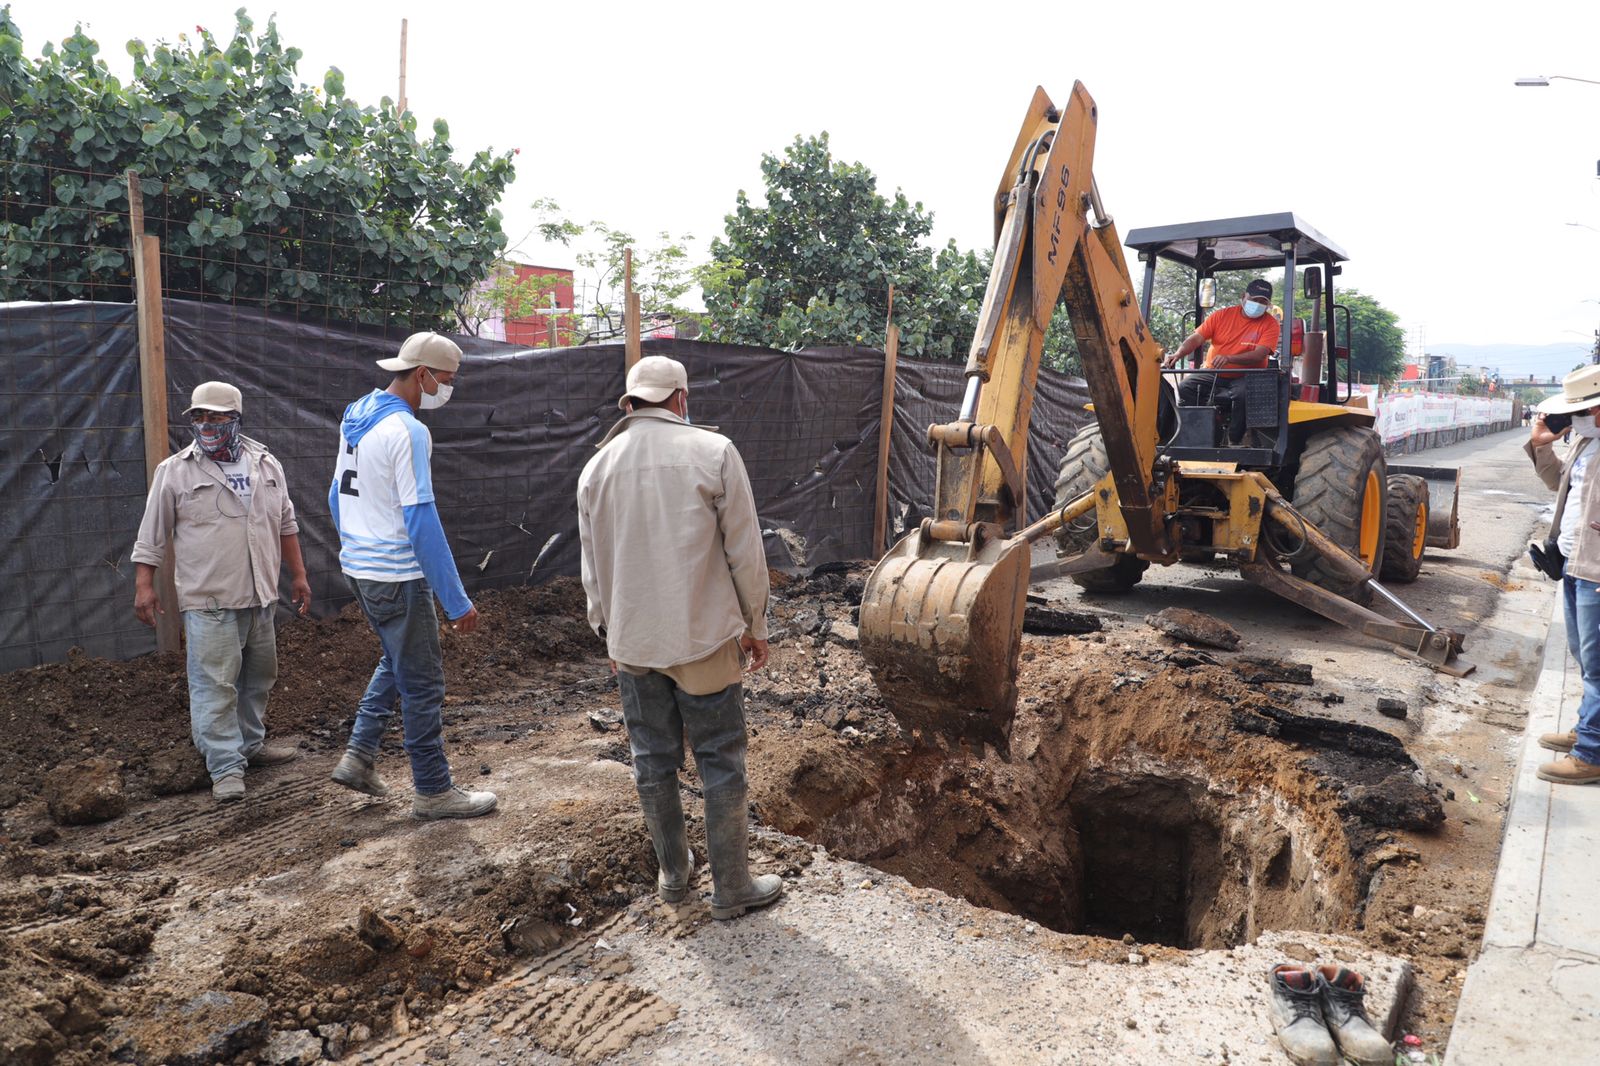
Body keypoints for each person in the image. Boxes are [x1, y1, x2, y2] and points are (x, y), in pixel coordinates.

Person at [577, 355, 782, 919]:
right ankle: (732, 887)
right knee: (720, 758)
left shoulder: (596, 469)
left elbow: (592, 567)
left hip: (634, 643)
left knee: (652, 760)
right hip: (704, 640)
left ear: (631, 403)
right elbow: (745, 551)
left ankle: (674, 875)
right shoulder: (713, 452)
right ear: (681, 399)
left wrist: (609, 634)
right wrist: (756, 626)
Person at [326, 332, 498, 818]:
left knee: (397, 658)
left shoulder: (356, 415)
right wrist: (456, 599)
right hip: (397, 575)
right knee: (423, 684)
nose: (447, 390)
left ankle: (359, 755)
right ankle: (433, 789)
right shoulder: (408, 431)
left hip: (361, 569)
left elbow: (335, 496)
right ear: (421, 374)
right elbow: (421, 520)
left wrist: (355, 546)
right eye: (444, 380)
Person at [132, 381, 310, 803]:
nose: (207, 425)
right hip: (209, 600)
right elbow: (151, 534)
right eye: (199, 417)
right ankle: (225, 767)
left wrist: (298, 576)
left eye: (216, 417)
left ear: (236, 419)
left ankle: (250, 745)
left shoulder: (266, 464)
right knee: (215, 684)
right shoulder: (174, 471)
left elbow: (286, 525)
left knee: (258, 677)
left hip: (260, 595)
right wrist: (144, 586)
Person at [1526, 364, 1600, 785]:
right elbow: (1558, 483)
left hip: (1596, 571)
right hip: (1575, 564)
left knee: (1598, 665)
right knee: (1586, 659)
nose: (1574, 419)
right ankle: (1589, 729)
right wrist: (1541, 446)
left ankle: (1590, 753)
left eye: (1581, 411)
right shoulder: (1586, 443)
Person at [1161, 278, 1281, 444]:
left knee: (1245, 394)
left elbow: (1259, 355)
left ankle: (1235, 440)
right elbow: (1197, 338)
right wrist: (1178, 354)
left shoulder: (1270, 324)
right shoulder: (1222, 316)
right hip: (1214, 373)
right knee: (1186, 387)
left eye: (1263, 302)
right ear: (1243, 297)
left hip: (1247, 375)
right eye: (1254, 300)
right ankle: (1197, 436)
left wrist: (1229, 358)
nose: (1258, 305)